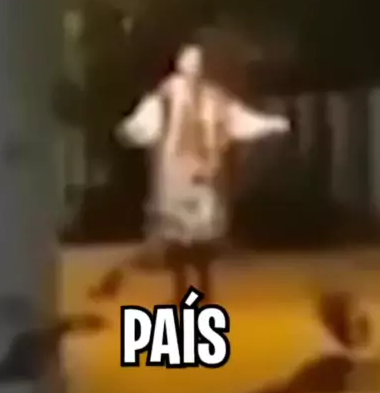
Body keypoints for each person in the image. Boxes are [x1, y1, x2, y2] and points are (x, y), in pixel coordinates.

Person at [117, 43, 289, 304]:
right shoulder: (166, 95)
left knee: (202, 238)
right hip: (175, 174)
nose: (193, 68)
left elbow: (237, 118)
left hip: (205, 173)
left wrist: (270, 124)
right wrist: (131, 130)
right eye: (189, 62)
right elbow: (146, 121)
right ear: (180, 65)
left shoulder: (213, 97)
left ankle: (204, 291)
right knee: (176, 237)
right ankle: (180, 292)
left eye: (197, 63)